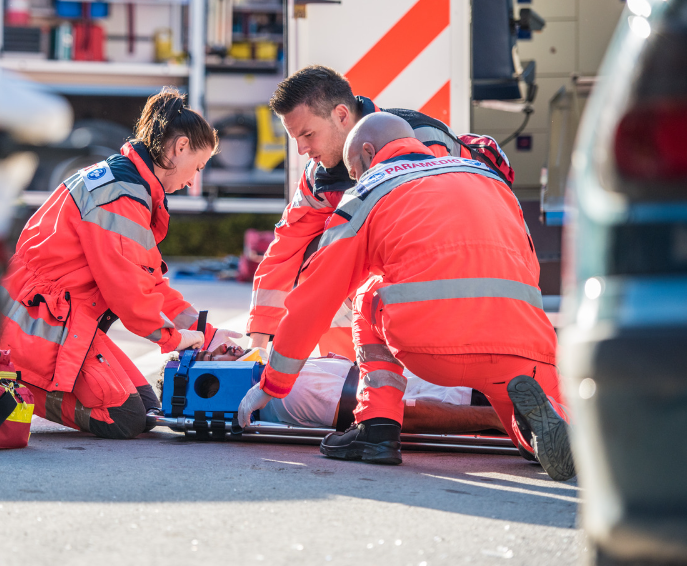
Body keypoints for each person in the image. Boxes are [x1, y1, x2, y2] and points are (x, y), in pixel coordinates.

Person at [238, 113, 574, 481]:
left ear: (368, 153)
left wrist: (274, 383)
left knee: (367, 293)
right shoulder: (486, 177)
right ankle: (537, 436)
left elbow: (315, 295)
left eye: (355, 170)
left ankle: (377, 429)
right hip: (524, 345)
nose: (356, 178)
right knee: (525, 424)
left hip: (432, 348)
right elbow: (527, 267)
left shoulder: (370, 190)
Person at [0, 87, 239, 439]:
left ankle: (19, 370)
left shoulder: (129, 186)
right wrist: (176, 339)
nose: (191, 181)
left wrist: (208, 334)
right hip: (37, 325)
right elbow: (131, 294)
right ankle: (13, 379)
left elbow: (149, 283)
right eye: (197, 167)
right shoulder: (121, 195)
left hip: (58, 319)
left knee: (148, 411)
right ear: (180, 147)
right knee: (124, 418)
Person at [247, 65, 513, 361]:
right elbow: (286, 249)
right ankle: (347, 376)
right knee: (316, 268)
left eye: (308, 134)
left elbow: (439, 241)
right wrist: (257, 344)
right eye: (295, 137)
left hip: (462, 277)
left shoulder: (422, 142)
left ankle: (434, 376)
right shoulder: (318, 176)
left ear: (342, 115)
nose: (301, 149)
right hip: (414, 277)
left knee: (342, 275)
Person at [191, 344, 504, 434]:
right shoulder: (285, 397)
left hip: (461, 379)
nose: (223, 347)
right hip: (465, 397)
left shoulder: (277, 376)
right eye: (211, 357)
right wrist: (494, 418)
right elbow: (396, 415)